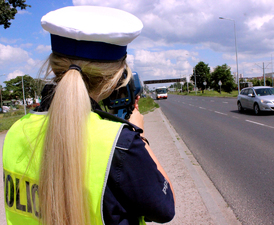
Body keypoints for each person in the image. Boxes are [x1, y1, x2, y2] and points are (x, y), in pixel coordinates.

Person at [2, 6, 175, 225]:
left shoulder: (17, 130)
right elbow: (166, 208)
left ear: (54, 66)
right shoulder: (120, 143)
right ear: (114, 77)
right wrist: (138, 136)